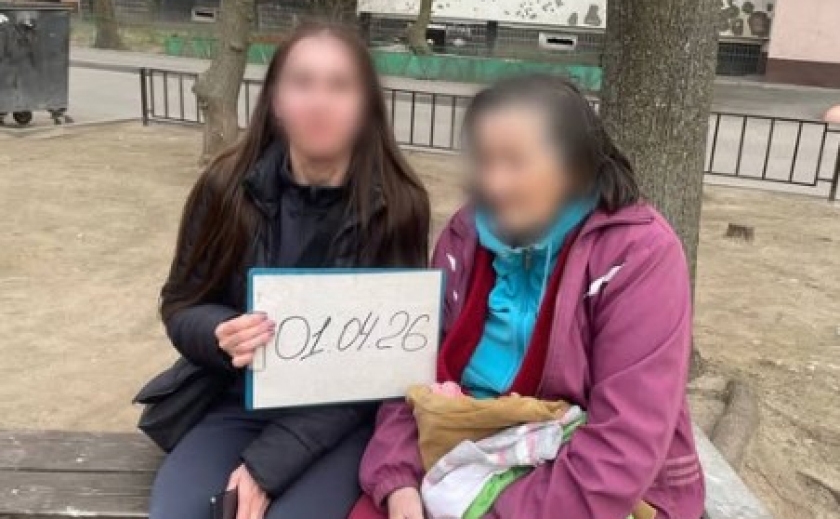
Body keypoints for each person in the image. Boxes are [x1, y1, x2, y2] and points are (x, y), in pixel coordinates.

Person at [357, 76, 705, 519]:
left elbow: (622, 445)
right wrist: (398, 479)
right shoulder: (465, 234)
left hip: (582, 486)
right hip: (458, 459)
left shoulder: (639, 254)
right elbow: (412, 364)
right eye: (485, 162)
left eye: (515, 162)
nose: (494, 184)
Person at [145, 21, 430, 519]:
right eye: (302, 83)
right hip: (233, 402)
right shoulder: (225, 188)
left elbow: (385, 366)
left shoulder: (399, 206)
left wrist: (266, 466)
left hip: (338, 416)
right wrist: (219, 333)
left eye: (339, 86)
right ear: (276, 100)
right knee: (179, 512)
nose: (320, 102)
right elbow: (181, 304)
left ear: (365, 105)